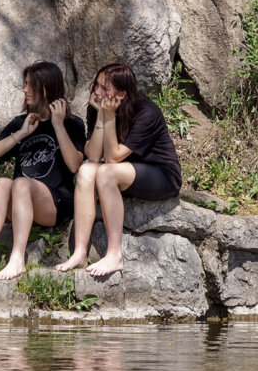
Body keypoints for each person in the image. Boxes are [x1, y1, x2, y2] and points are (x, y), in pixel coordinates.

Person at [56, 63, 181, 277]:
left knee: (106, 172)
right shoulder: (99, 106)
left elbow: (113, 157)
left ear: (121, 94)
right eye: (97, 84)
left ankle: (115, 254)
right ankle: (79, 252)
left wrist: (109, 116)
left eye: (104, 88)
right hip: (125, 172)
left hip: (161, 174)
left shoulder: (146, 111)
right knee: (86, 171)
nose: (97, 91)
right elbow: (93, 155)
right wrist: (102, 117)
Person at [0, 61, 86, 283]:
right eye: (24, 84)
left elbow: (74, 165)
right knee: (3, 183)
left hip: (54, 204)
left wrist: (58, 125)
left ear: (46, 88)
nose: (25, 90)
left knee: (21, 183)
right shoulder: (22, 122)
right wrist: (20, 134)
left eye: (29, 85)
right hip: (20, 203)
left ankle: (17, 259)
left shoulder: (72, 124)